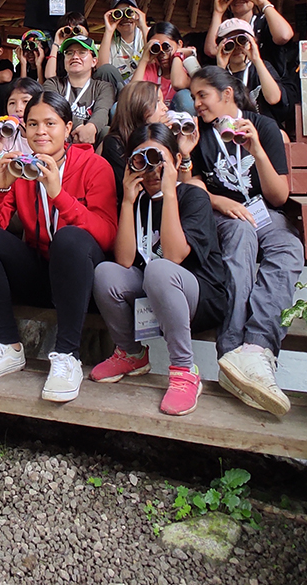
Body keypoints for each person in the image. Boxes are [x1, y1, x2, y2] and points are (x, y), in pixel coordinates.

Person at [0, 92, 117, 403]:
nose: (40, 131)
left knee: (70, 238)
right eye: (32, 124)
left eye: (50, 123)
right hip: (42, 276)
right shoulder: (21, 168)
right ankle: (7, 345)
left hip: (82, 283)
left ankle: (67, 356)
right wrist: (0, 186)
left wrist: (59, 195)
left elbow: (106, 235)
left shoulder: (94, 165)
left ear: (68, 127)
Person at [90, 123, 231, 416]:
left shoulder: (193, 196)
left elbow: (175, 255)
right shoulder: (137, 200)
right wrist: (128, 201)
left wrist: (169, 193)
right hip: (154, 291)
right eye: (141, 160)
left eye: (158, 159)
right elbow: (124, 261)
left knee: (160, 270)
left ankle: (184, 370)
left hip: (199, 296)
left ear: (176, 160)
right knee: (105, 273)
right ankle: (131, 353)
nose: (151, 169)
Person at [187, 66, 303, 418]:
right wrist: (219, 201)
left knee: (289, 247)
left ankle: (257, 349)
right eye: (193, 97)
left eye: (202, 95)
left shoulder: (262, 126)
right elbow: (191, 184)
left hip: (265, 213)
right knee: (240, 234)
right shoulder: (198, 134)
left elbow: (279, 196)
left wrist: (257, 150)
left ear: (227, 94)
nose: (197, 104)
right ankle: (231, 348)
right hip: (224, 218)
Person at [204, 0, 297, 88]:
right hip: (236, 88)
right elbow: (212, 51)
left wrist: (263, 2)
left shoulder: (266, 21)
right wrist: (218, 12)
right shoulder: (225, 28)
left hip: (271, 85)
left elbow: (284, 36)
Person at [100, 81, 168, 202]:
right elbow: (136, 190)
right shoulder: (114, 144)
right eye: (157, 101)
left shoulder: (166, 136)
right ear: (138, 105)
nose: (165, 108)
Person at [211, 17, 287, 124]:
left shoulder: (262, 67)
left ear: (252, 42)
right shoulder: (218, 73)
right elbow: (213, 107)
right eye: (230, 43)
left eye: (242, 40)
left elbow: (273, 98)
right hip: (230, 128)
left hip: (261, 126)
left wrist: (256, 59)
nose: (237, 47)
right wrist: (220, 68)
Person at [43, 33, 114, 146]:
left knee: (107, 132)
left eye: (82, 52)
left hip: (92, 143)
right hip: (59, 142)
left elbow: (102, 111)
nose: (75, 57)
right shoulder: (53, 84)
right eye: (69, 53)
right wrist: (79, 126)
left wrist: (91, 128)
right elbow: (52, 108)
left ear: (94, 61)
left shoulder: (103, 87)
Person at [131, 21, 195, 114]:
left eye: (166, 47)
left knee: (184, 96)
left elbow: (177, 83)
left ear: (179, 44)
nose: (162, 54)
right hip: (154, 118)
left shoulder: (187, 67)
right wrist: (144, 59)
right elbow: (132, 94)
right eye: (156, 49)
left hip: (179, 119)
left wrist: (178, 55)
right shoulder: (150, 69)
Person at [96, 0, 148, 91]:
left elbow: (154, 61)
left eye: (129, 12)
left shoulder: (146, 34)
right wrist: (109, 31)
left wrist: (143, 26)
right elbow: (102, 69)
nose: (125, 18)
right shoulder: (110, 41)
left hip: (143, 89)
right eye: (119, 14)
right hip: (119, 91)